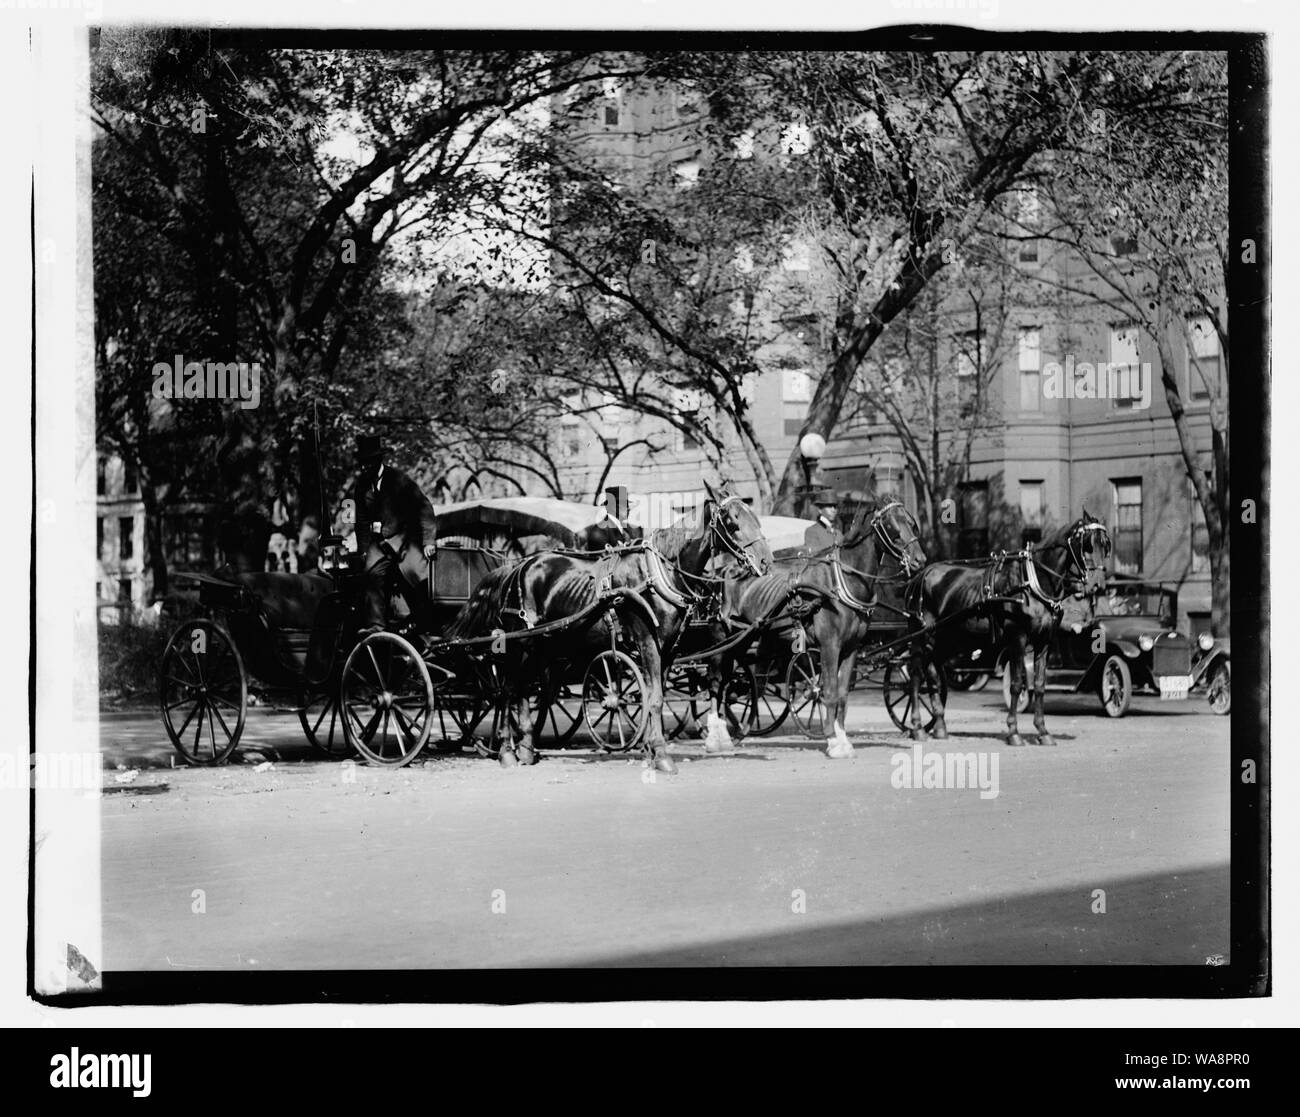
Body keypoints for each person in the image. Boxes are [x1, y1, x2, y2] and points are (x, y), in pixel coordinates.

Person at [355, 434, 439, 633]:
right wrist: (364, 550)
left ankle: (426, 626)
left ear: (378, 461)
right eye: (362, 463)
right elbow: (361, 522)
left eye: (368, 463)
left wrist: (428, 541)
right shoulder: (361, 486)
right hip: (379, 544)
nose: (364, 468)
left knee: (418, 578)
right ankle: (377, 625)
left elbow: (424, 507)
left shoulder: (398, 479)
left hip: (405, 539)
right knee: (371, 575)